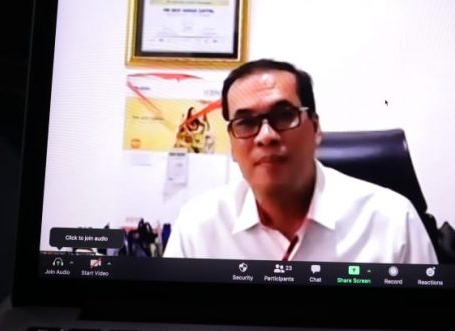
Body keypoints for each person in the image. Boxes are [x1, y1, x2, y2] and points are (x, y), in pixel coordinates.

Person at [163, 59, 438, 263]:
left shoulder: (393, 221)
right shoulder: (198, 226)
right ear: (232, 145)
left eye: (284, 115)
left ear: (315, 129)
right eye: (246, 122)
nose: (266, 136)